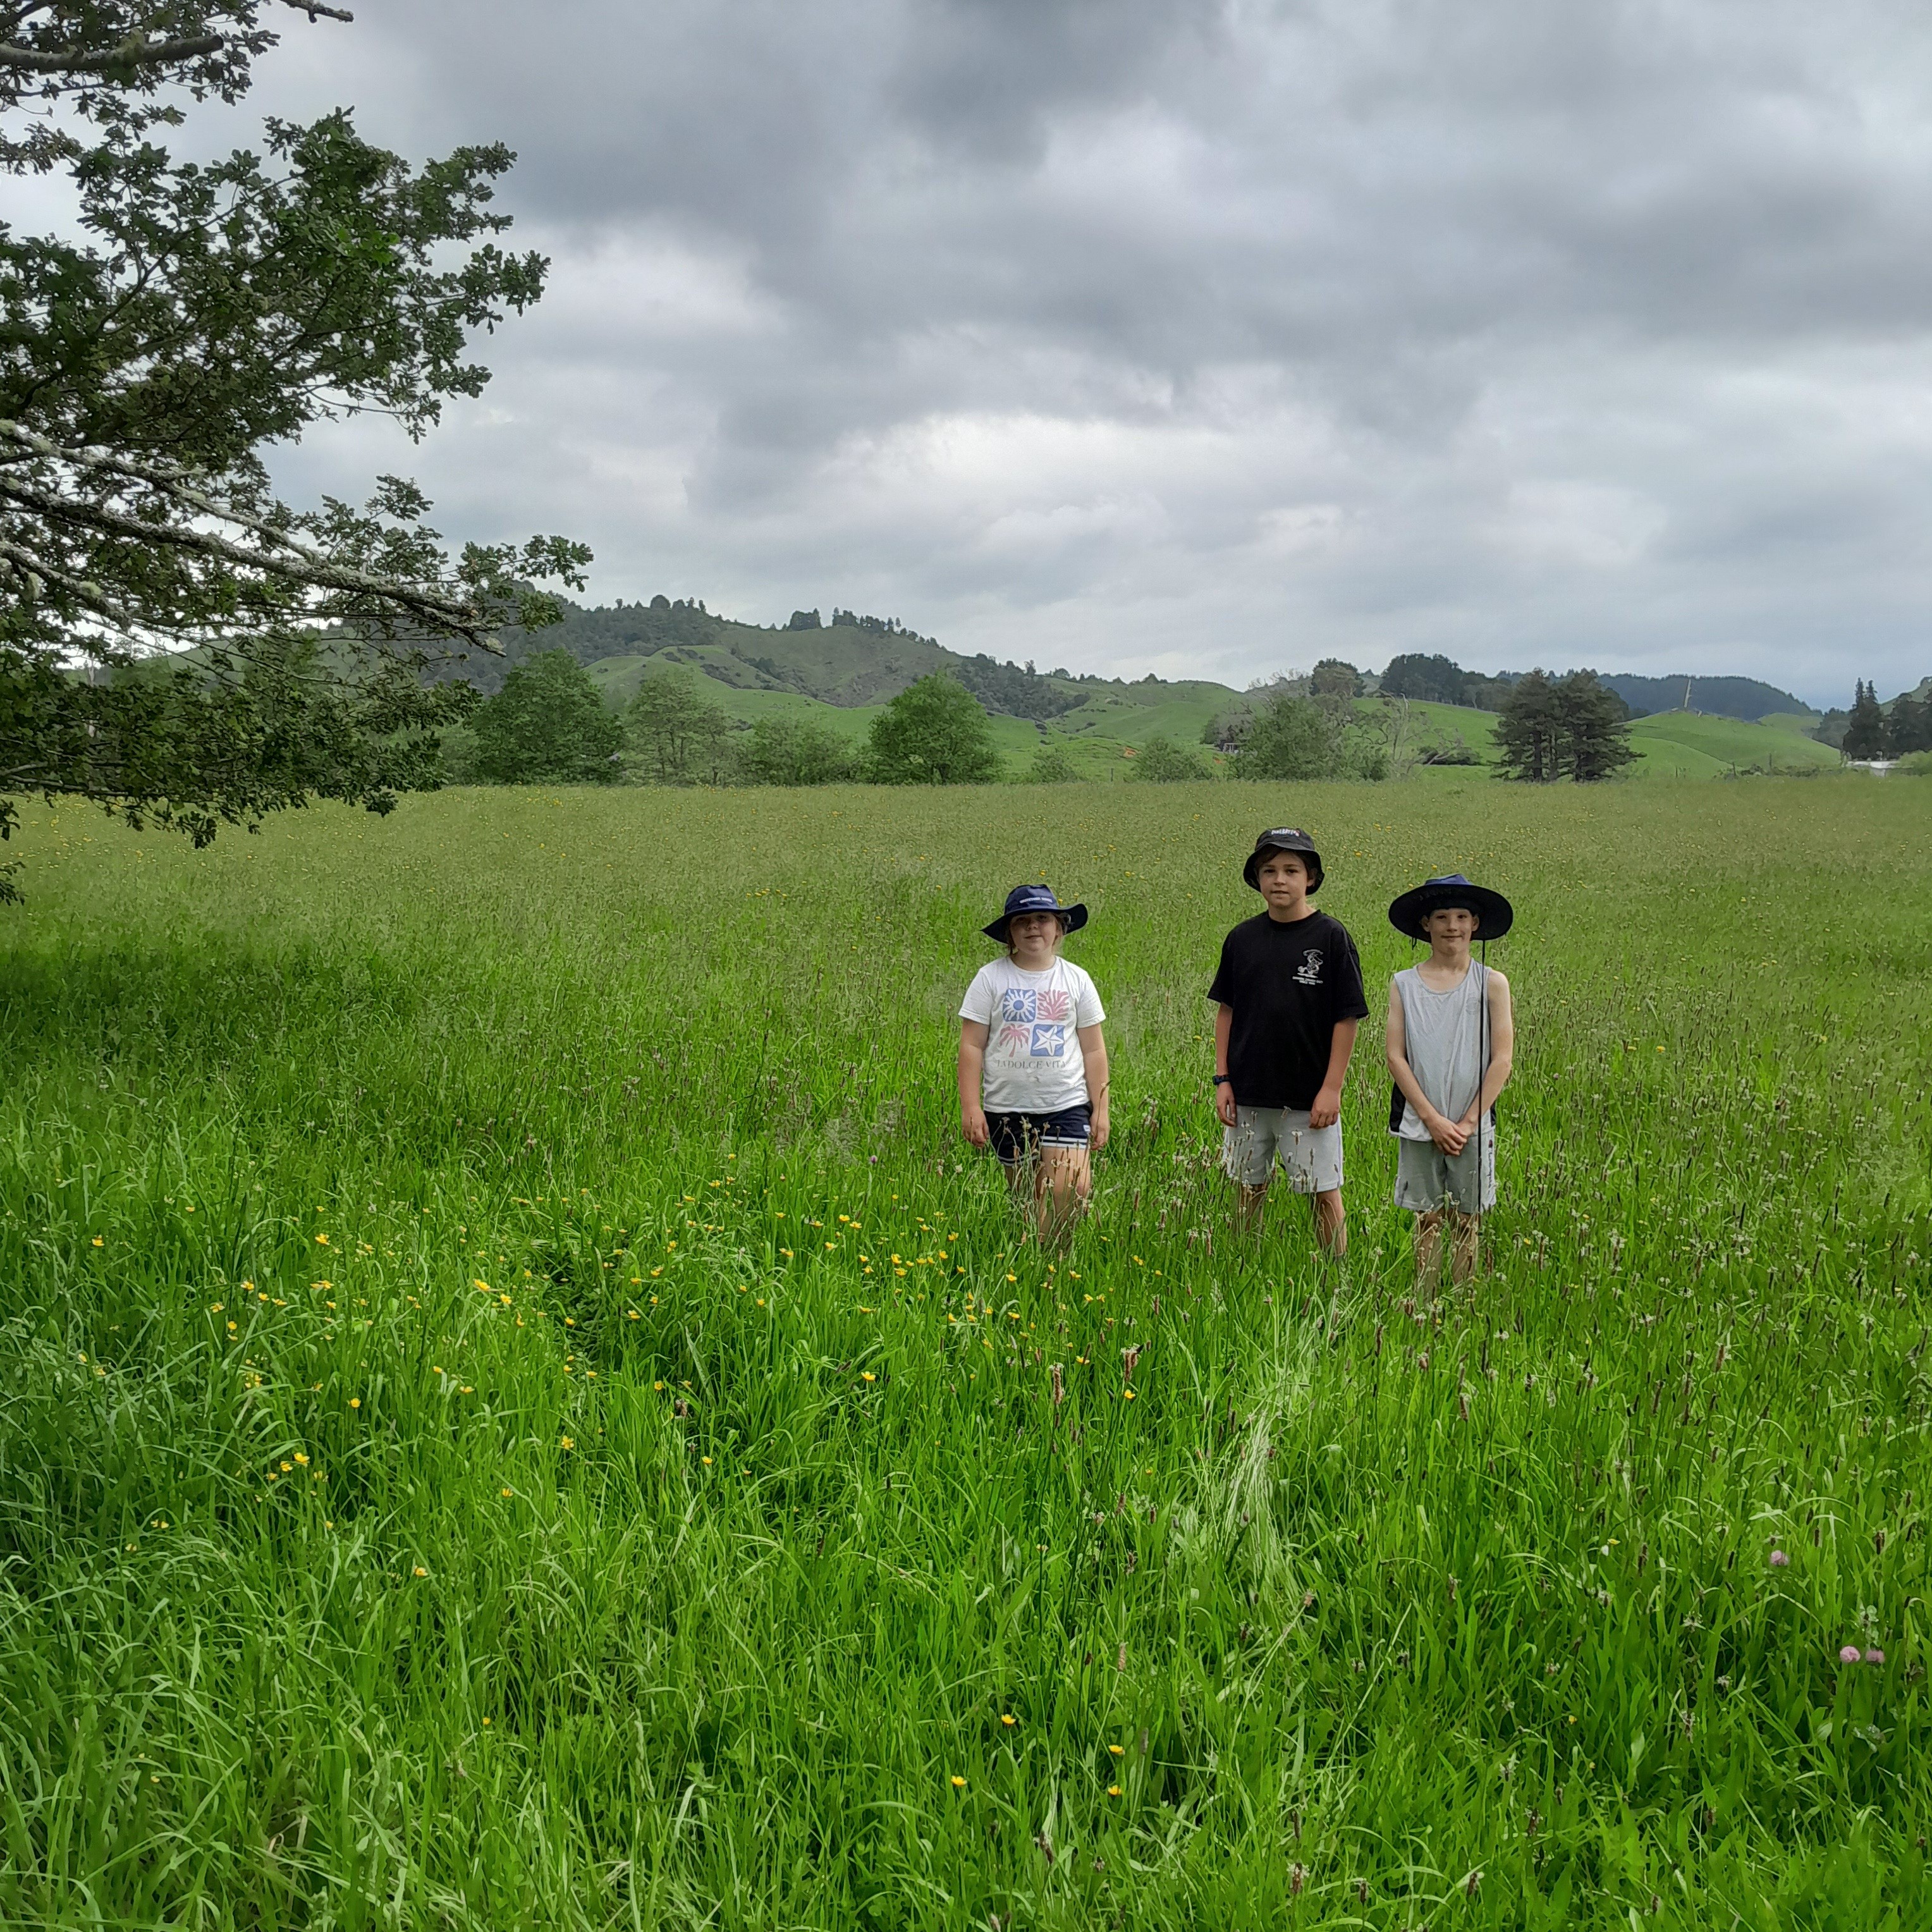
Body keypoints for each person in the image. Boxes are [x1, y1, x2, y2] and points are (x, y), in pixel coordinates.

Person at [1209, 828, 1368, 1255]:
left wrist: (1331, 1088)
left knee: (1323, 1191)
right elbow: (1227, 1010)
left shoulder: (1331, 938)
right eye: (1270, 871)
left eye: (1291, 870)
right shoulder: (1241, 939)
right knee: (1248, 1187)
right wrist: (1223, 1078)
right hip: (1248, 1094)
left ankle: (1336, 1271)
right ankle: (1243, 1260)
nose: (1280, 880)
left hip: (1308, 1098)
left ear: (1311, 878)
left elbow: (1346, 1017)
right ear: (1257, 879)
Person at [1384, 872, 1515, 1290]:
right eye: (1441, 917)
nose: (1452, 927)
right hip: (1420, 1122)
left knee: (1466, 1217)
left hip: (1473, 1124)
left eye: (1462, 916)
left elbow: (1502, 1059)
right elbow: (1395, 1056)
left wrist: (1467, 1123)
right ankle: (1423, 1299)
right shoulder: (1404, 983)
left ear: (1476, 924)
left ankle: (1461, 1297)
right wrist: (1433, 1120)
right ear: (1426, 925)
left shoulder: (1492, 983)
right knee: (1427, 1216)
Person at [958, 884, 1110, 1243]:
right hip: (1006, 1107)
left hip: (1066, 1103)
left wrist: (1101, 1108)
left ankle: (1051, 1259)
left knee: (1072, 1188)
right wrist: (971, 1107)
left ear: (1060, 928)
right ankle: (1029, 1258)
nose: (1032, 927)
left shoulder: (1077, 979)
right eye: (1021, 921)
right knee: (1027, 1198)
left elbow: (1094, 1050)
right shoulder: (990, 979)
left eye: (1043, 918)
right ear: (1009, 933)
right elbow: (971, 1046)